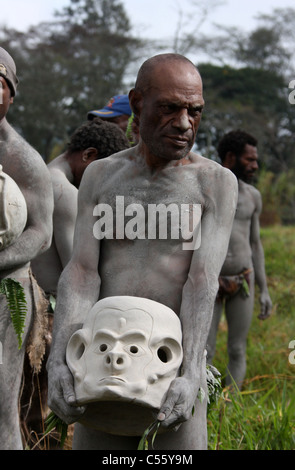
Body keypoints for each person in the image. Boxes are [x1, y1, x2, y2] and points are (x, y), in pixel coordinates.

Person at [47, 53, 238, 450]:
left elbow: (201, 281)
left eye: (194, 111)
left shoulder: (214, 183)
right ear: (137, 104)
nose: (184, 123)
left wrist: (191, 373)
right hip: (104, 359)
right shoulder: (101, 176)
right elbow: (82, 272)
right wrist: (59, 360)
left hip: (171, 362)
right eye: (169, 108)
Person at [0, 47, 53, 449]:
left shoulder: (22, 159)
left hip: (6, 290)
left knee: (1, 404)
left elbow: (41, 233)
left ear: (11, 95)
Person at [32, 118, 130, 297]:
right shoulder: (66, 194)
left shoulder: (41, 179)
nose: (104, 183)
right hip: (47, 309)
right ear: (88, 155)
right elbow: (78, 274)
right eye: (105, 173)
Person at [206, 129, 272, 390]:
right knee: (204, 350)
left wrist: (264, 289)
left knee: (237, 348)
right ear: (231, 157)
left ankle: (228, 405)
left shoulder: (252, 196)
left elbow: (256, 244)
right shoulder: (206, 187)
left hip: (243, 279)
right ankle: (201, 409)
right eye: (249, 160)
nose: (255, 165)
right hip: (209, 280)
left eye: (255, 160)